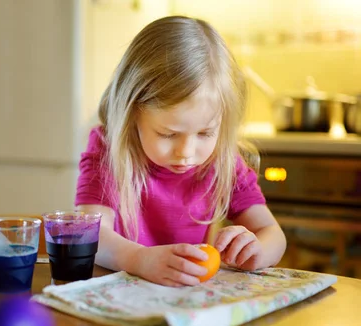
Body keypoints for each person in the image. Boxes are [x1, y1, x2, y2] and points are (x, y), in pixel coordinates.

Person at [75, 16, 286, 287]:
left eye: (205, 133)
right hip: (118, 292)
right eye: (168, 134)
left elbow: (273, 234)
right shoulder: (110, 149)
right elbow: (89, 234)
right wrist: (139, 258)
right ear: (132, 112)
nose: (186, 152)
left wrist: (257, 249)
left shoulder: (222, 160)